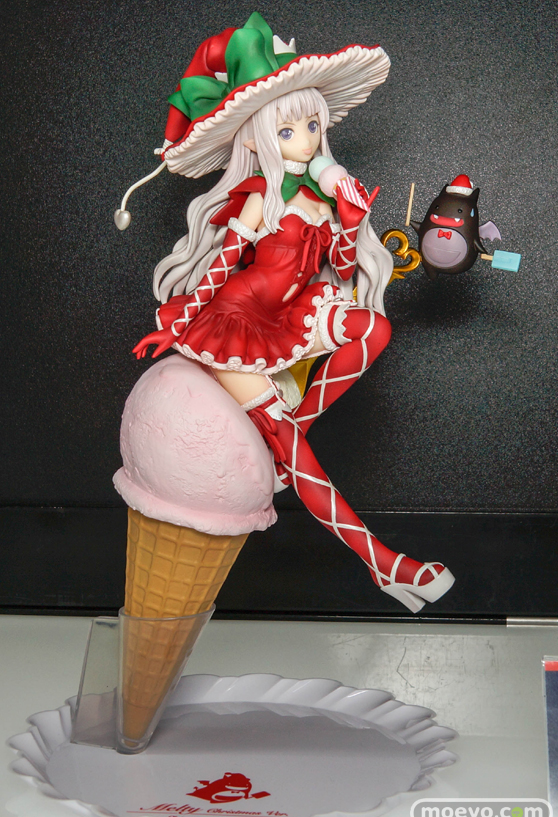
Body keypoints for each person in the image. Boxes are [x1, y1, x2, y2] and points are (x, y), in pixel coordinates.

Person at [132, 13, 455, 612]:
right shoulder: (259, 197)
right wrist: (176, 323)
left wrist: (351, 222)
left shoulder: (318, 197)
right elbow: (223, 265)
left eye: (312, 125)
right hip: (235, 322)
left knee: (374, 328)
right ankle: (382, 561)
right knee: (295, 451)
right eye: (288, 131)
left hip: (288, 313)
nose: (307, 141)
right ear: (256, 141)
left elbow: (337, 263)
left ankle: (291, 437)